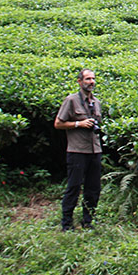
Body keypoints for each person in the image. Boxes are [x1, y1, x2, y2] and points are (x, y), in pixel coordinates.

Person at [54, 68, 103, 231]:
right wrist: (78, 124)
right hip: (77, 151)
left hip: (95, 150)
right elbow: (58, 123)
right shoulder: (71, 100)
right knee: (74, 187)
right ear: (80, 81)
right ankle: (66, 223)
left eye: (93, 79)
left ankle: (88, 221)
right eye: (88, 79)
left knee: (93, 188)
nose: (91, 82)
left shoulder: (96, 103)